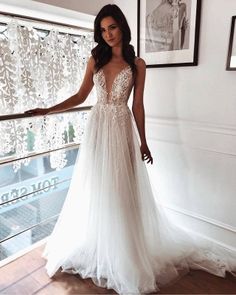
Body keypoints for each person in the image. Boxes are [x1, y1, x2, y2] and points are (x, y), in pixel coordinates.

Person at [25, 4, 236, 294]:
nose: (108, 34)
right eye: (102, 29)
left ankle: (124, 254)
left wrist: (144, 141)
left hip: (121, 127)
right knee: (98, 187)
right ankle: (101, 245)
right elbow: (80, 95)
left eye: (112, 27)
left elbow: (137, 105)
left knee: (121, 189)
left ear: (122, 27)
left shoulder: (137, 64)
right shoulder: (95, 58)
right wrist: (48, 110)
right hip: (98, 127)